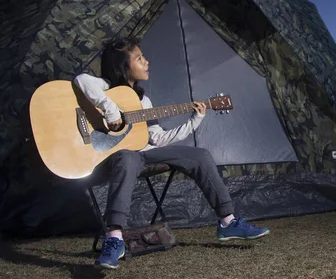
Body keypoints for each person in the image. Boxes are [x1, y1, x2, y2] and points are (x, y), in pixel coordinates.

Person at [74, 37, 269, 270]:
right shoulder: (106, 87)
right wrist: (110, 109)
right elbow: (81, 80)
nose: (147, 62)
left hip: (147, 153)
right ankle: (114, 239)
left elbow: (158, 138)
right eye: (139, 58)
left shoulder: (143, 100)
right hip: (117, 156)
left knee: (201, 155)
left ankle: (228, 222)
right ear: (122, 66)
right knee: (127, 156)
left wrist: (196, 119)